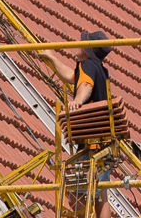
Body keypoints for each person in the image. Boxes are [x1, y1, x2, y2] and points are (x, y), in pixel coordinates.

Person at [41, 31, 114, 218]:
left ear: (87, 51)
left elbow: (85, 86)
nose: (78, 44)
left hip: (90, 144)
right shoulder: (99, 68)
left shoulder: (87, 65)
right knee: (101, 194)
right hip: (103, 144)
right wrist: (51, 58)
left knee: (77, 194)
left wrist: (78, 101)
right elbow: (71, 77)